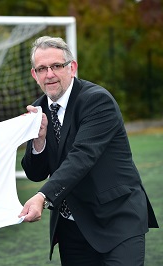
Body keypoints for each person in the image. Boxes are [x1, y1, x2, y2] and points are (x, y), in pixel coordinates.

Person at [19, 36, 158, 266]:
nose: (49, 74)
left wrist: (42, 197)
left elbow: (82, 157)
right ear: (35, 75)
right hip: (72, 227)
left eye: (56, 66)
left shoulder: (97, 101)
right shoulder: (39, 109)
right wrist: (38, 140)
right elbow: (35, 173)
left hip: (116, 220)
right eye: (42, 69)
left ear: (72, 67)